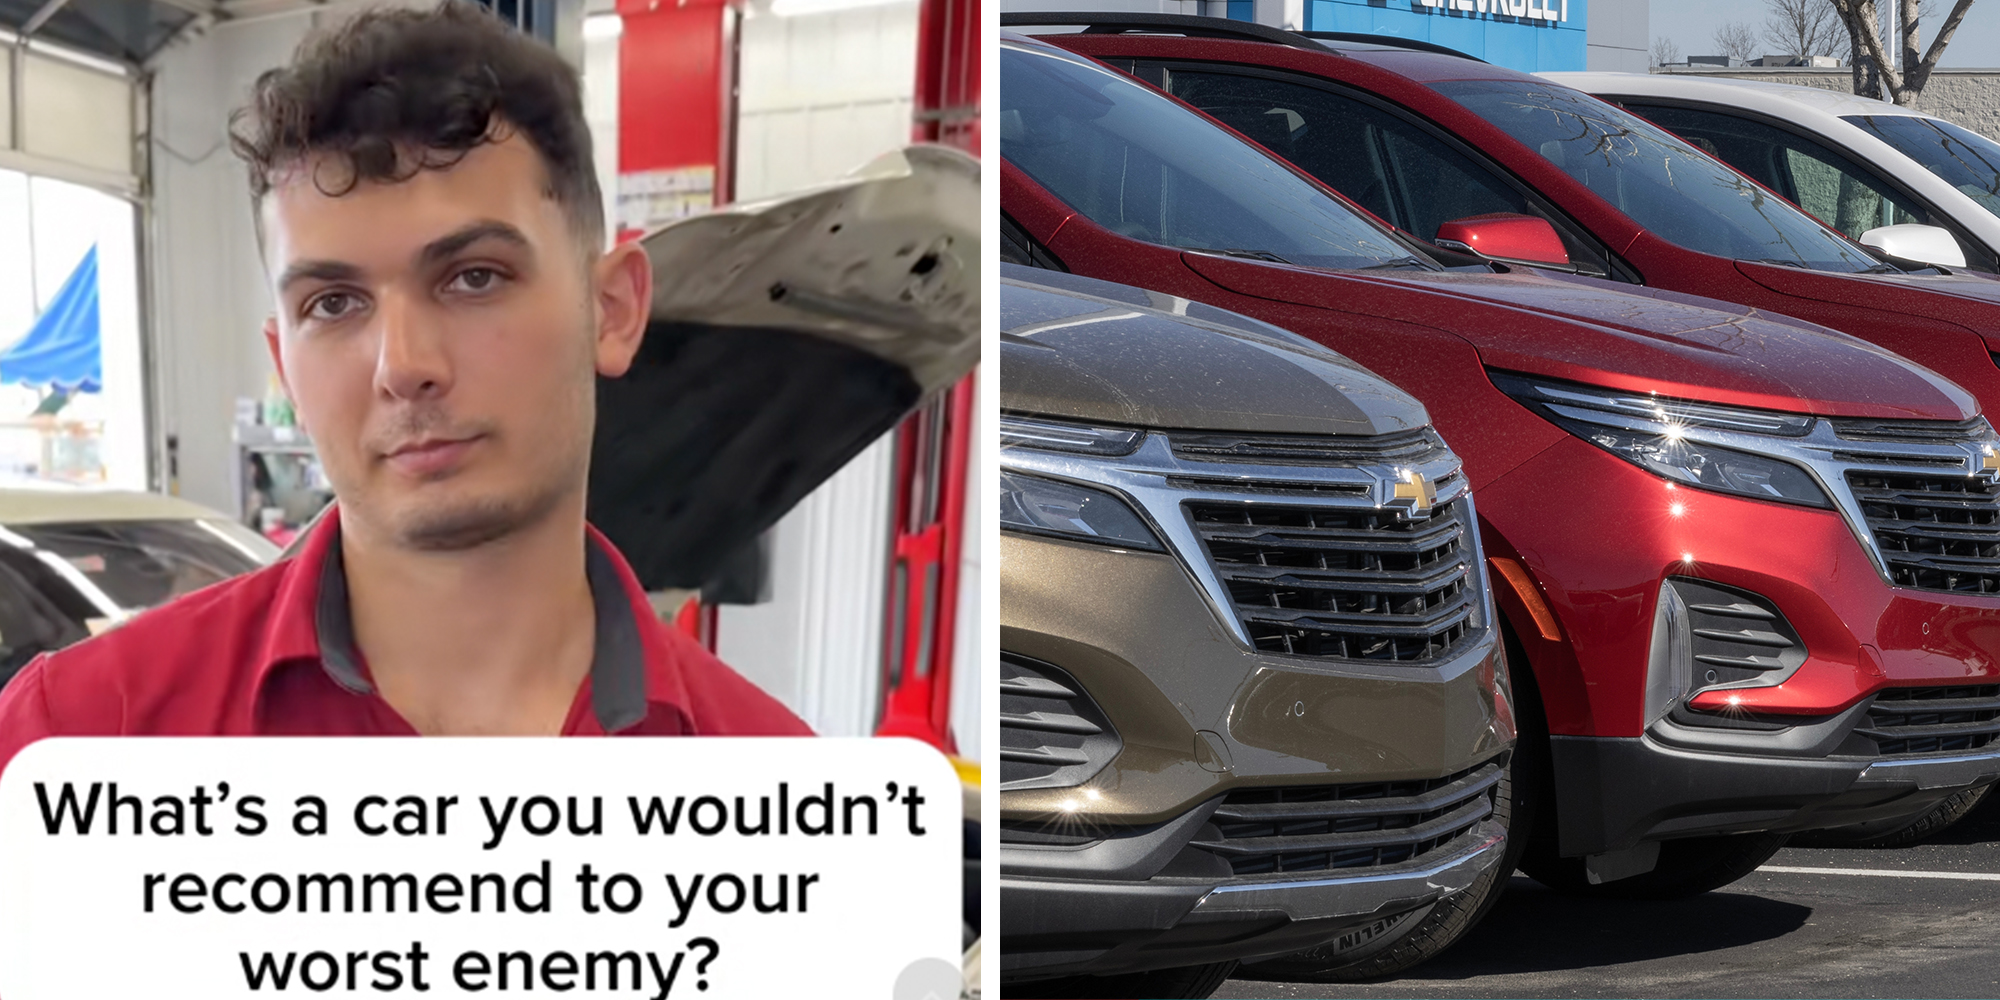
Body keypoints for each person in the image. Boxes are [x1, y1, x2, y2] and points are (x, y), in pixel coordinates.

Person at [0, 0, 811, 772]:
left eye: (474, 278)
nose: (403, 365)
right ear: (285, 363)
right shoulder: (80, 743)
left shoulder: (777, 800)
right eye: (335, 303)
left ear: (612, 310)